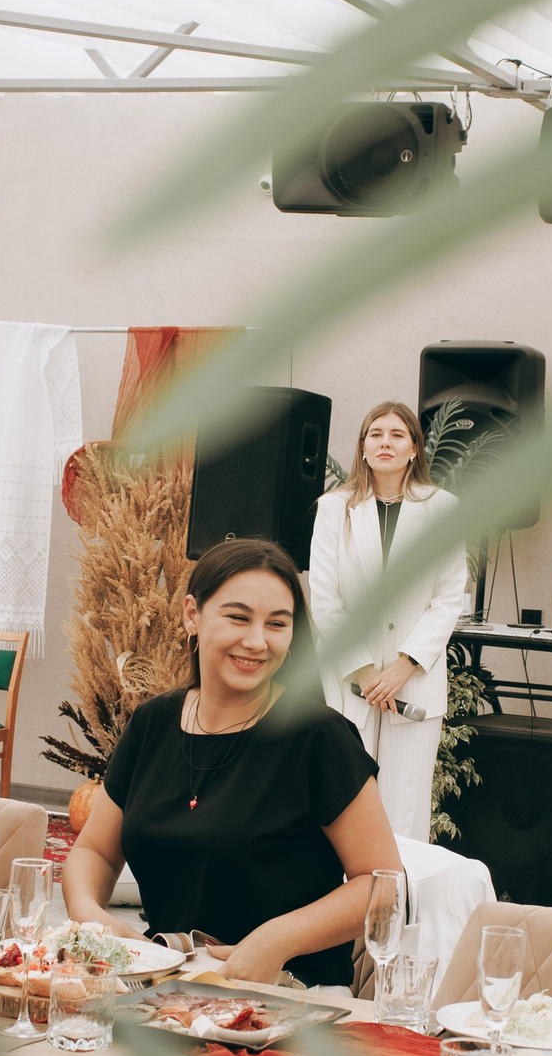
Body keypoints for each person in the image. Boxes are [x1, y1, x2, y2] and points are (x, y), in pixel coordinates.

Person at [63, 538, 405, 987]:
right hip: (163, 986)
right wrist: (90, 915)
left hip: (290, 997)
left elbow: (384, 887)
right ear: (192, 615)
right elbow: (95, 851)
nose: (257, 641)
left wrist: (277, 939)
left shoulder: (319, 738)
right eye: (238, 617)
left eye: (277, 624)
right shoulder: (152, 723)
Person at [306, 401, 470, 843]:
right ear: (362, 447)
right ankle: (341, 908)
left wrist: (402, 667)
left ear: (415, 448)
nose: (385, 442)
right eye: (375, 433)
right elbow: (323, 597)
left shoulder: (443, 508)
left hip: (412, 682)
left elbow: (449, 596)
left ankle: (397, 909)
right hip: (350, 681)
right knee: (345, 806)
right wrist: (364, 672)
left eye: (397, 434)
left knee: (405, 811)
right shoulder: (334, 508)